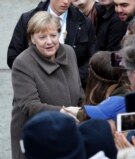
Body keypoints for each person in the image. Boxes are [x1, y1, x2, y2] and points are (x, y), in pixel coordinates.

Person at [11, 11, 83, 159]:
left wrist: (84, 112)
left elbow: (79, 90)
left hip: (68, 129)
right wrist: (63, 112)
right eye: (42, 37)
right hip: (36, 135)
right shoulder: (22, 63)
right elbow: (29, 105)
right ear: (32, 39)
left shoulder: (69, 52)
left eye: (53, 35)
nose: (49, 41)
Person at [7, 0, 97, 89]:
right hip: (36, 90)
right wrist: (39, 79)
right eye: (42, 37)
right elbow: (14, 57)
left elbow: (92, 60)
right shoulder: (27, 19)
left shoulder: (84, 22)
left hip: (72, 92)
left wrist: (71, 79)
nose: (66, 2)